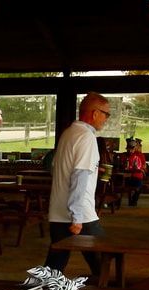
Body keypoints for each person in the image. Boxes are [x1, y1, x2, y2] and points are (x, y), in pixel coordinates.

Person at [43, 92, 110, 275]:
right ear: (95, 113)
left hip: (57, 211)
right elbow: (79, 178)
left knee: (55, 265)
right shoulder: (87, 137)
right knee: (104, 257)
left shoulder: (68, 133)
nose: (106, 119)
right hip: (81, 214)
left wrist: (95, 170)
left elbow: (58, 167)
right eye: (106, 114)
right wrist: (77, 216)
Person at [124, 139, 146, 207]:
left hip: (137, 175)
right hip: (127, 175)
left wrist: (141, 169)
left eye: (132, 149)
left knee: (138, 186)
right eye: (129, 149)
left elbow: (144, 166)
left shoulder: (140, 155)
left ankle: (134, 199)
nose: (130, 151)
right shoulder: (125, 155)